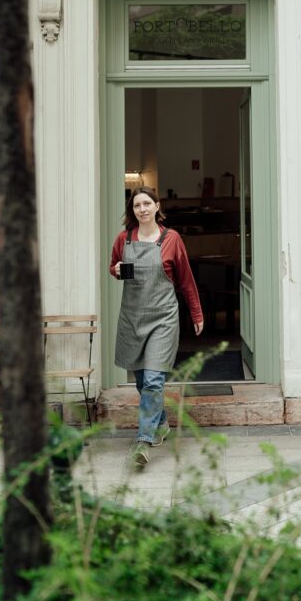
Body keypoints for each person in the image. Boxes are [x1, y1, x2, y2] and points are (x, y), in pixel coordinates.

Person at [109, 186, 204, 467]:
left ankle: (143, 440)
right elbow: (113, 266)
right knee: (142, 381)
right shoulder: (123, 239)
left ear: (157, 206)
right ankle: (160, 422)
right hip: (132, 318)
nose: (142, 209)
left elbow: (186, 280)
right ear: (133, 210)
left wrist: (197, 313)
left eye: (147, 203)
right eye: (137, 205)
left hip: (163, 319)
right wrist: (116, 270)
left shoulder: (171, 239)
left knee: (153, 379)